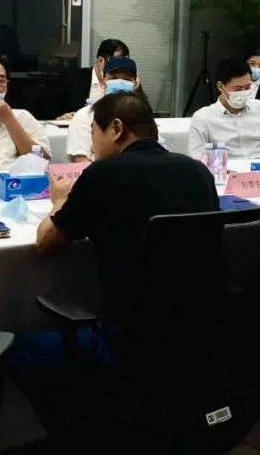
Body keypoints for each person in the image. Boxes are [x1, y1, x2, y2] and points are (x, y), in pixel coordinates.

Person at [31, 92, 218, 363]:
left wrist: (59, 201)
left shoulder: (103, 174)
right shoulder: (198, 172)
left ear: (116, 129)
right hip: (200, 334)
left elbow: (46, 244)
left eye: (94, 133)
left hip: (127, 339)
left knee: (14, 349)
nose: (92, 146)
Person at [188, 58, 260, 159]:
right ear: (220, 86)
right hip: (227, 168)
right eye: (237, 89)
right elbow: (196, 157)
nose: (243, 92)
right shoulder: (203, 118)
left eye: (247, 87)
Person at [66, 57, 144, 162]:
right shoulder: (86, 115)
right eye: (113, 78)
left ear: (135, 84)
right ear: (103, 82)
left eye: (126, 79)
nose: (120, 82)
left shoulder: (141, 117)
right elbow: (81, 161)